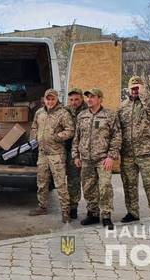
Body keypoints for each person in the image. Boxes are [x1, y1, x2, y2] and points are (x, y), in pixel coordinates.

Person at [118, 75, 150, 226]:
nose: (135, 90)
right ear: (128, 88)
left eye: (138, 88)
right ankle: (132, 212)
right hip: (127, 153)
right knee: (129, 184)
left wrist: (144, 94)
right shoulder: (122, 106)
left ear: (143, 88)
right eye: (132, 88)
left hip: (145, 152)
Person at [72, 88, 121, 229]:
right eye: (88, 97)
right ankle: (93, 214)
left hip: (103, 159)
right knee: (88, 188)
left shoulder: (109, 116)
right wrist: (76, 155)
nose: (89, 99)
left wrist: (111, 156)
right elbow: (77, 138)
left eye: (92, 97)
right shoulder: (82, 116)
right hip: (86, 159)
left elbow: (117, 137)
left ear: (100, 99)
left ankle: (106, 216)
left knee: (105, 186)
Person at [29, 88, 74, 223]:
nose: (49, 101)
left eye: (52, 99)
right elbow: (34, 127)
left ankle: (66, 212)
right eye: (47, 99)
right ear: (44, 99)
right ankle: (42, 206)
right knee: (42, 182)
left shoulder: (63, 114)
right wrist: (34, 138)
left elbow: (70, 130)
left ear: (56, 99)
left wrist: (56, 137)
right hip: (42, 153)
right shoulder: (39, 112)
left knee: (60, 184)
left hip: (56, 154)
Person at [64, 88, 88, 219]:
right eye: (71, 100)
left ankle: (93, 209)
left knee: (89, 181)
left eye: (76, 99)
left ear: (81, 99)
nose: (74, 102)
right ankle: (73, 207)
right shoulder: (65, 110)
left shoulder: (88, 110)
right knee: (73, 179)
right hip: (70, 151)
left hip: (86, 150)